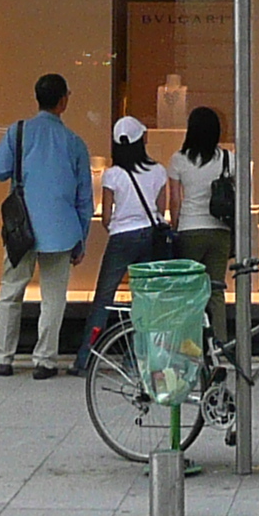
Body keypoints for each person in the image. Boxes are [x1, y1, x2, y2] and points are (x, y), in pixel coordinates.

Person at [0, 73, 91, 379]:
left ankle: (2, 356)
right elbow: (85, 198)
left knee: (11, 290)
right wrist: (82, 238)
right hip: (62, 229)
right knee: (54, 298)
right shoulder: (75, 143)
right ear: (63, 101)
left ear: (37, 97)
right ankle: (45, 360)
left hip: (23, 228)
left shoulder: (18, 132)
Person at [78, 117, 171, 375]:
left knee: (103, 298)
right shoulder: (158, 171)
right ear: (142, 140)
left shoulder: (112, 174)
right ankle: (136, 359)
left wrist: (119, 227)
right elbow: (161, 211)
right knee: (145, 300)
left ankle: (86, 359)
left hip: (120, 238)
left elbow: (106, 217)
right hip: (150, 236)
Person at [168, 105, 239, 320]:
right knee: (216, 291)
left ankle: (190, 342)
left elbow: (175, 200)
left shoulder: (179, 159)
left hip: (190, 229)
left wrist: (175, 227)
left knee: (188, 290)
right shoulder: (229, 158)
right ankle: (219, 345)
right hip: (220, 232)